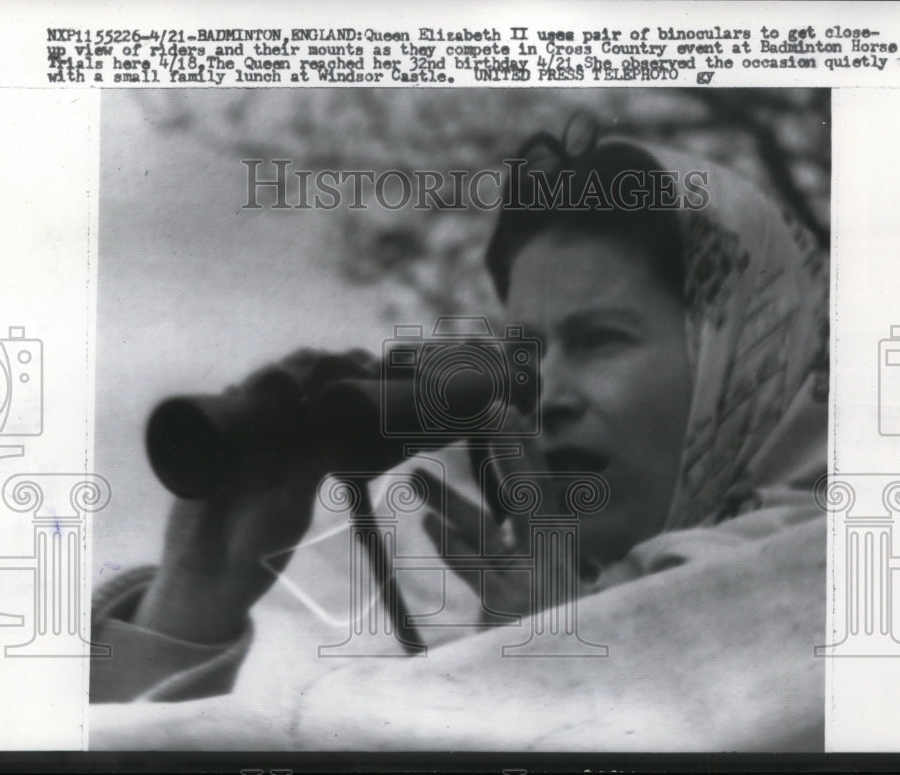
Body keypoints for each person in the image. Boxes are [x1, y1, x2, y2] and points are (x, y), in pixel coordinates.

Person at [90, 113, 830, 751]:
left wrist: (551, 662)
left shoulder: (839, 584)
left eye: (602, 339)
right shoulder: (546, 629)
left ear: (744, 353)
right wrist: (195, 596)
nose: (547, 397)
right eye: (524, 356)